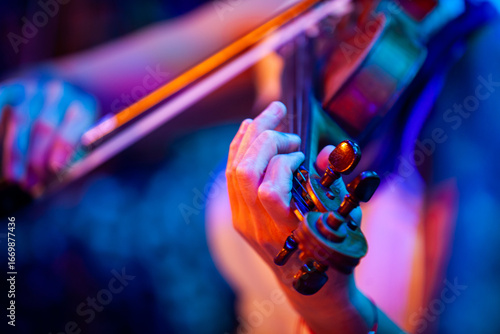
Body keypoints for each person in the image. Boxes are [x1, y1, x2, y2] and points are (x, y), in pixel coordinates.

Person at [1, 0, 500, 333]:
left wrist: (328, 304)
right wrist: (43, 103)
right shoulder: (318, 14)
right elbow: (68, 86)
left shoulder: (483, 76)